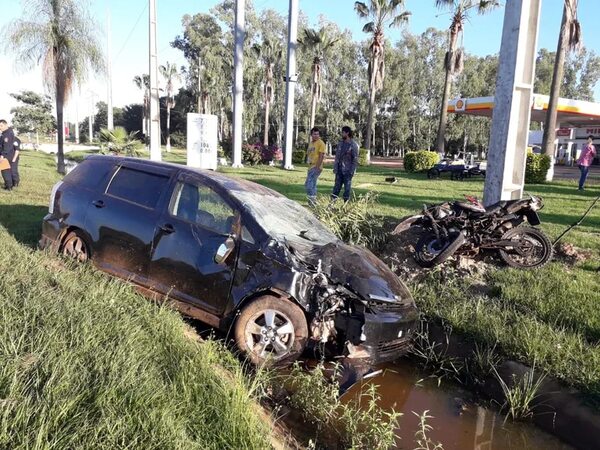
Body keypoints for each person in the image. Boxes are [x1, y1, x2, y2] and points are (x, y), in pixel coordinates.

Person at [331, 126, 359, 202]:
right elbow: (337, 157)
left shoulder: (353, 145)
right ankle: (331, 205)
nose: (342, 134)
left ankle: (345, 206)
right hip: (339, 171)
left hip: (348, 171)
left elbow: (355, 159)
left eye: (343, 132)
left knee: (347, 190)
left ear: (347, 133)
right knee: (336, 188)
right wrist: (335, 168)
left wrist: (352, 171)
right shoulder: (340, 144)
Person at [304, 127, 326, 206]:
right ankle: (313, 201)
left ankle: (312, 202)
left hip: (316, 166)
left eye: (317, 134)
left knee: (310, 184)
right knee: (310, 184)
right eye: (314, 134)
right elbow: (309, 153)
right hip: (310, 166)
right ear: (311, 135)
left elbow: (321, 156)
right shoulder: (311, 143)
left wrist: (317, 167)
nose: (316, 136)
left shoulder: (321, 143)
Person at [0, 120, 16, 190]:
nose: (0, 127)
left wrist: (2, 155)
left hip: (5, 155)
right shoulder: (7, 132)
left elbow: (6, 146)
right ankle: (9, 185)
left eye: (1, 126)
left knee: (5, 171)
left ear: (6, 125)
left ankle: (8, 187)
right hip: (7, 154)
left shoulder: (7, 134)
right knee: (7, 171)